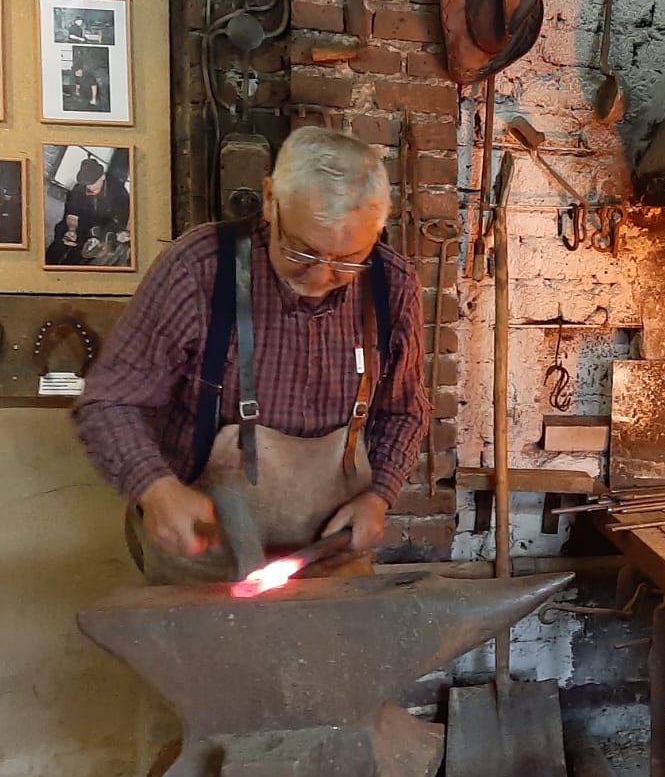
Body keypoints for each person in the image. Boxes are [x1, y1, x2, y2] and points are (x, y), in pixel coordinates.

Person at [73, 128, 430, 584]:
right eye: (302, 251)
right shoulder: (199, 269)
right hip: (205, 555)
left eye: (348, 260)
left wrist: (379, 494)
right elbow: (109, 401)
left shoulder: (391, 285)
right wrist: (154, 487)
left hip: (332, 556)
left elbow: (404, 411)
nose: (321, 276)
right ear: (270, 200)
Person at [45, 156, 114, 265]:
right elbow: (72, 214)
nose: (89, 187)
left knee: (78, 258)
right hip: (76, 225)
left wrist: (101, 237)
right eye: (87, 183)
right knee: (58, 246)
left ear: (103, 177)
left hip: (96, 233)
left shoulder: (115, 194)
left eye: (93, 182)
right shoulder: (79, 189)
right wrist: (72, 230)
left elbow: (115, 221)